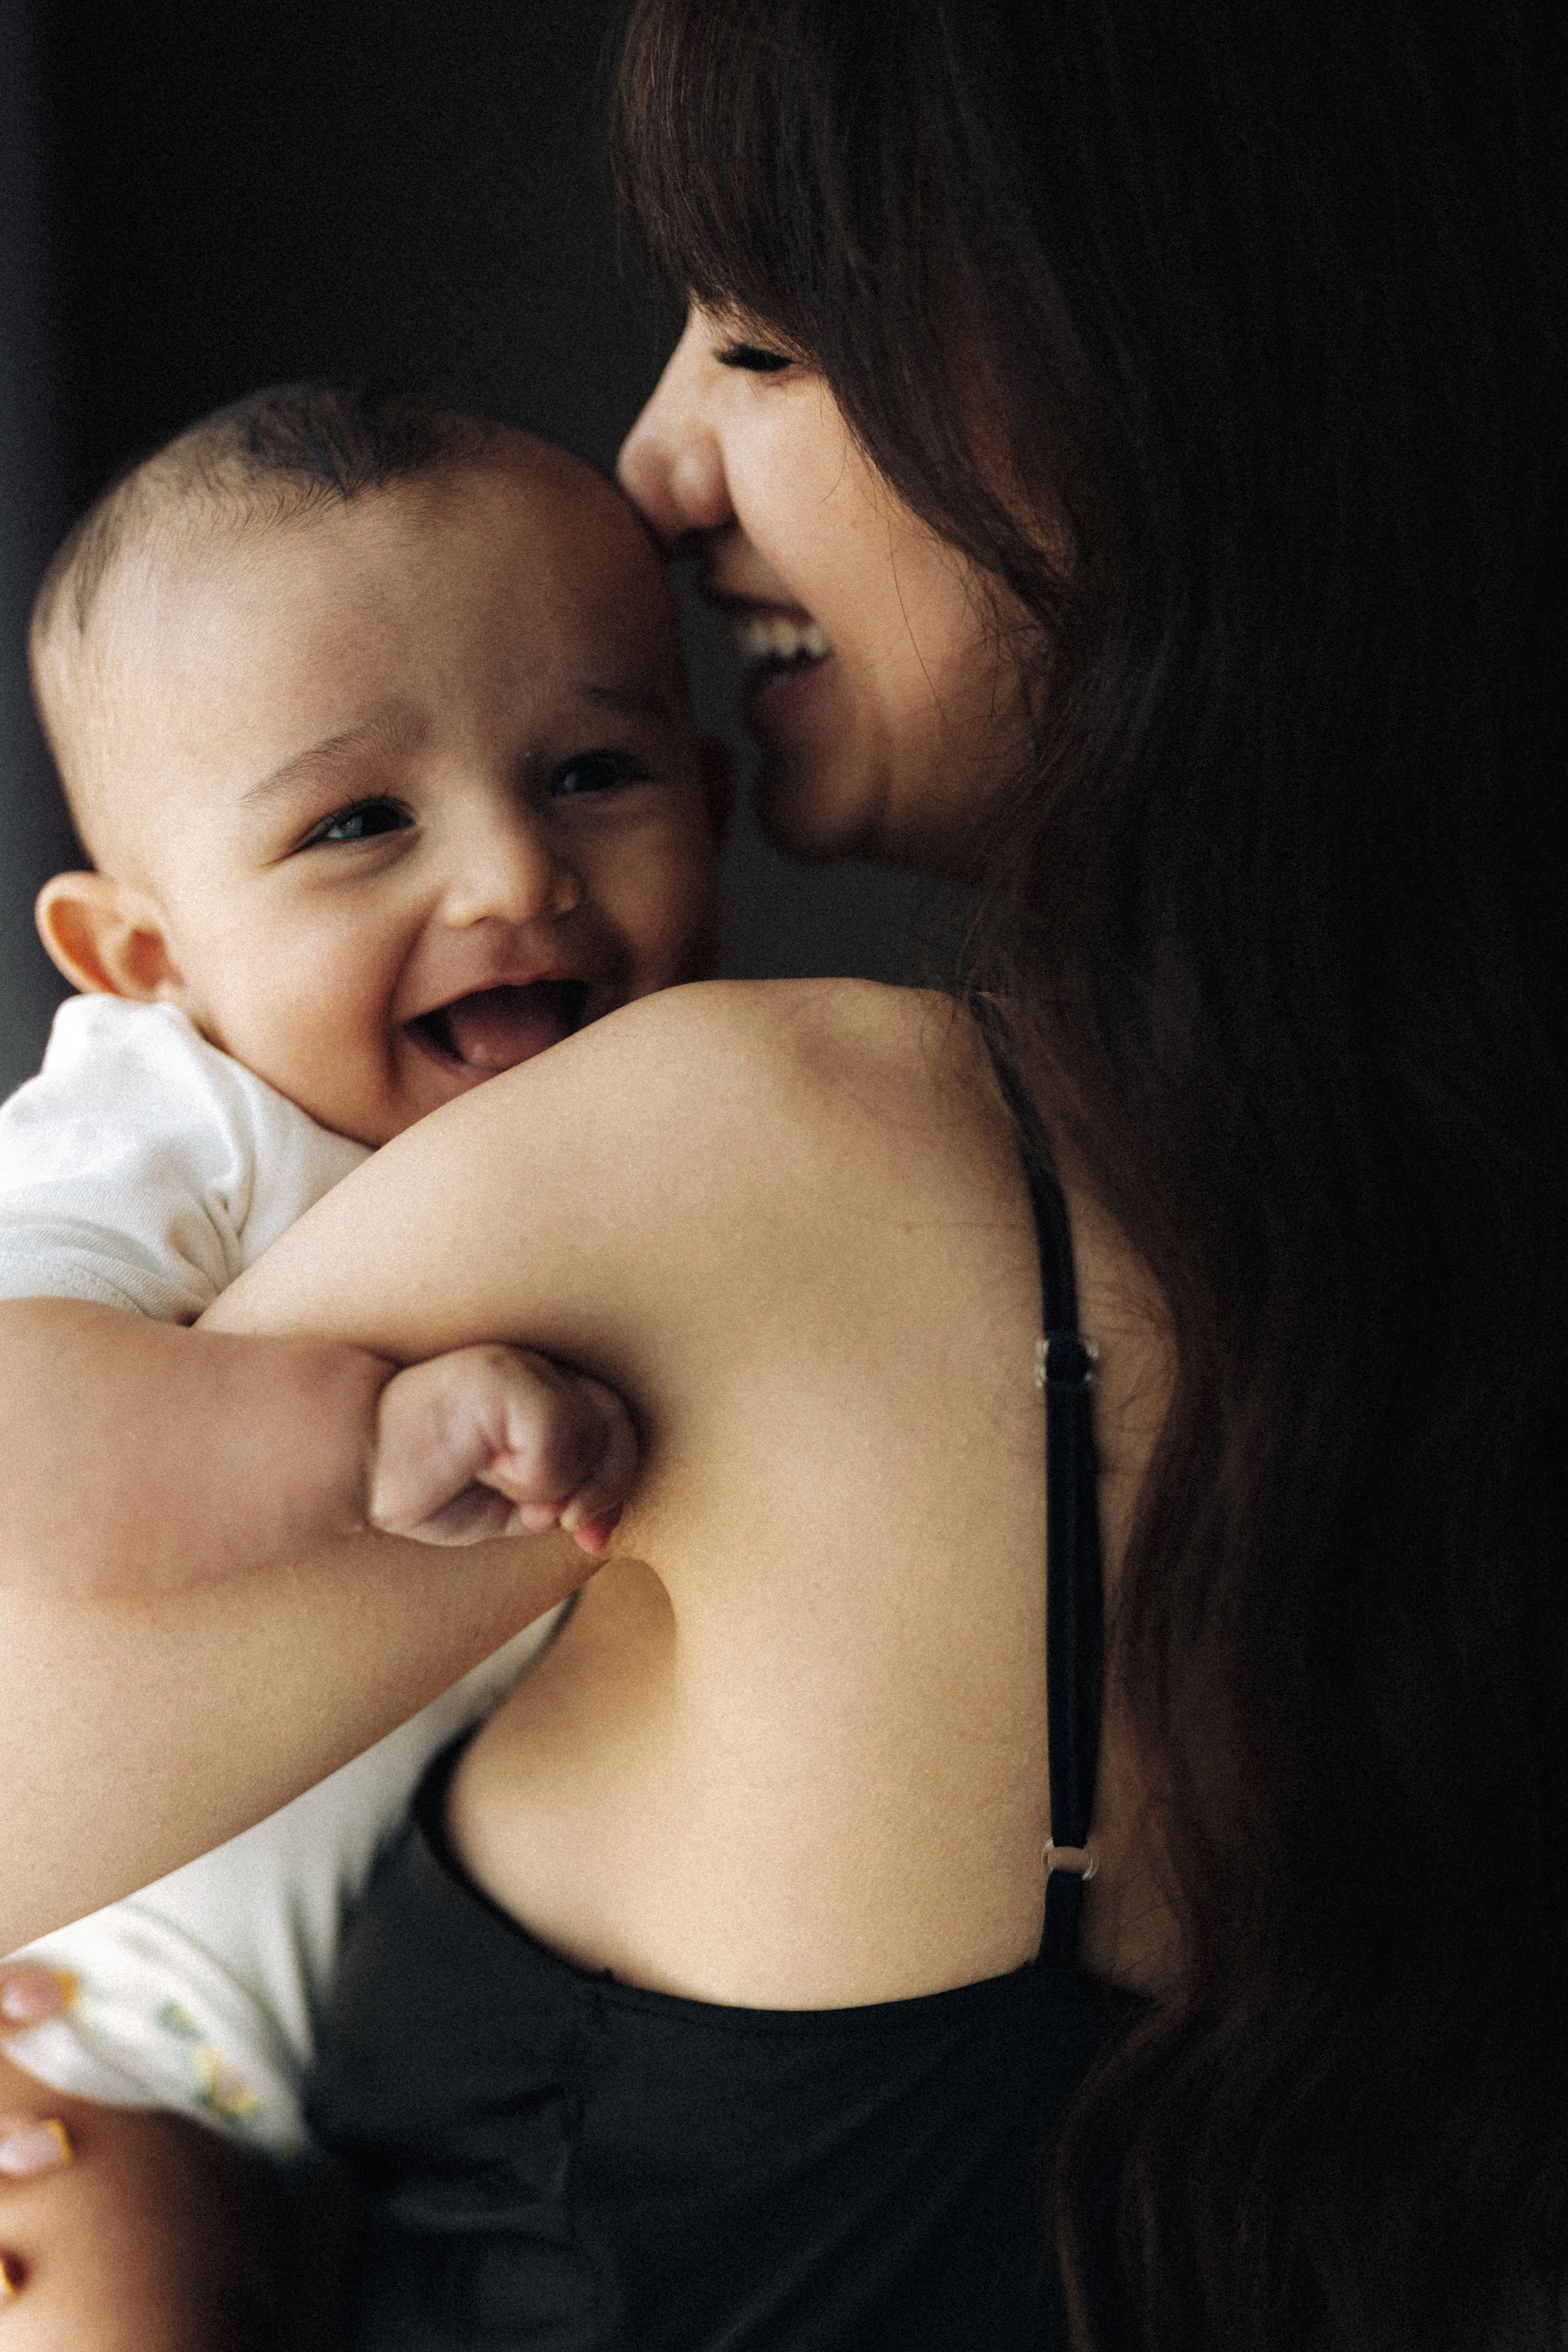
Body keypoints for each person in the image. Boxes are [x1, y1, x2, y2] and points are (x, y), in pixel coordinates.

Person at [4, 1, 1565, 2346]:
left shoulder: (746, 1170)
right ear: (134, 946)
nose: (657, 462)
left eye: (761, 334)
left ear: (1163, 359)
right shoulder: (1444, 1236)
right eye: (355, 821)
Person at [0, 378, 731, 2337]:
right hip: (118, 2046)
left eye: (591, 771)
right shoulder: (192, 1127)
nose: (509, 876)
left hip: (455, 2073)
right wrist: (365, 1433)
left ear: (713, 799)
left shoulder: (720, 1126)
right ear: (141, 954)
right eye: (357, 822)